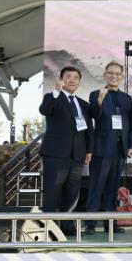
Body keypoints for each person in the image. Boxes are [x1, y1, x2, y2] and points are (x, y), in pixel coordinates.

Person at [39, 66, 93, 235]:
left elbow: (89, 130)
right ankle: (50, 229)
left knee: (72, 193)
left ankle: (67, 227)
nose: (72, 80)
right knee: (53, 192)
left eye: (76, 78)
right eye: (68, 77)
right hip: (55, 154)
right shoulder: (53, 98)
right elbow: (44, 110)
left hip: (77, 156)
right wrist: (56, 91)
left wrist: (89, 150)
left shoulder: (84, 104)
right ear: (61, 79)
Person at [84, 61, 132, 235]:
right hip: (101, 148)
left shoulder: (127, 98)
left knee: (113, 188)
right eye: (111, 73)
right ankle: (90, 224)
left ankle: (111, 224)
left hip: (120, 149)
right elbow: (93, 116)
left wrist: (131, 145)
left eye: (117, 74)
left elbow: (131, 124)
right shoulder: (96, 94)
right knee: (96, 187)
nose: (114, 76)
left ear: (121, 77)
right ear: (105, 75)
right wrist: (99, 101)